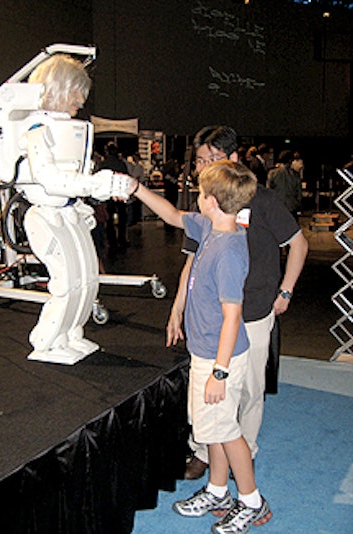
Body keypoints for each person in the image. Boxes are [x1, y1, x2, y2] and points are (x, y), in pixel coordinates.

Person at [131, 159, 271, 533]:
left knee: (227, 431)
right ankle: (218, 489)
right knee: (212, 429)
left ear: (211, 200)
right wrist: (136, 189)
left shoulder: (227, 252)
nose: (196, 196)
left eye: (201, 192)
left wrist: (219, 374)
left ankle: (252, 501)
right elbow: (174, 215)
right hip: (206, 353)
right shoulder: (211, 226)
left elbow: (232, 316)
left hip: (219, 359)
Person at [167, 125, 308, 484]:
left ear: (233, 159)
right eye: (200, 161)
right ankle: (203, 452)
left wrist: (286, 291)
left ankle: (244, 453)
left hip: (255, 311)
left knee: (247, 391)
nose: (204, 169)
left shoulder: (261, 200)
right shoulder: (207, 202)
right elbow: (192, 261)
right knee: (207, 392)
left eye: (212, 160)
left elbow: (298, 243)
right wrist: (178, 307)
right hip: (212, 320)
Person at [0, 52, 131, 364]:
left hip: (69, 211)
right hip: (45, 214)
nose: (81, 99)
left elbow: (72, 177)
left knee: (88, 278)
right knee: (66, 282)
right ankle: (47, 339)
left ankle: (71, 334)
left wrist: (86, 199)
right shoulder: (36, 130)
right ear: (53, 89)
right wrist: (95, 186)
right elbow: (49, 178)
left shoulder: (72, 130)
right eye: (75, 90)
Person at [99, 141, 129, 252]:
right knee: (122, 219)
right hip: (120, 195)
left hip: (108, 195)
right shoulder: (121, 163)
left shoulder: (104, 164)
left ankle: (112, 241)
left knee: (109, 220)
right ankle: (122, 239)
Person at [267, 150, 302, 220]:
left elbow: (268, 191)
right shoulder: (295, 175)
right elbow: (299, 193)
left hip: (276, 207)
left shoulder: (273, 173)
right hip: (291, 208)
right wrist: (297, 204)